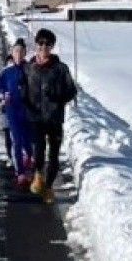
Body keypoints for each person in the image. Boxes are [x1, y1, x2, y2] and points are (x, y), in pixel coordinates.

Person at [23, 28, 77, 204]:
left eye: (48, 44)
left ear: (52, 46)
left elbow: (71, 91)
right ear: (36, 45)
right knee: (38, 151)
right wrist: (25, 104)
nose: (44, 47)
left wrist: (57, 97)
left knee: (53, 154)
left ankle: (48, 188)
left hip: (54, 117)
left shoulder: (60, 69)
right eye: (41, 43)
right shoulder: (29, 68)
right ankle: (38, 175)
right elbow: (22, 90)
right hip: (35, 117)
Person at [0, 38, 34, 191]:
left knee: (29, 142)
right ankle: (20, 174)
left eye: (21, 51)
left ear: (25, 53)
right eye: (16, 51)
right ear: (12, 53)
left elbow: (37, 87)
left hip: (29, 111)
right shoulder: (7, 72)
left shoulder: (31, 69)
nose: (18, 54)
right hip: (13, 111)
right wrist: (3, 96)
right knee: (16, 141)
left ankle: (28, 162)